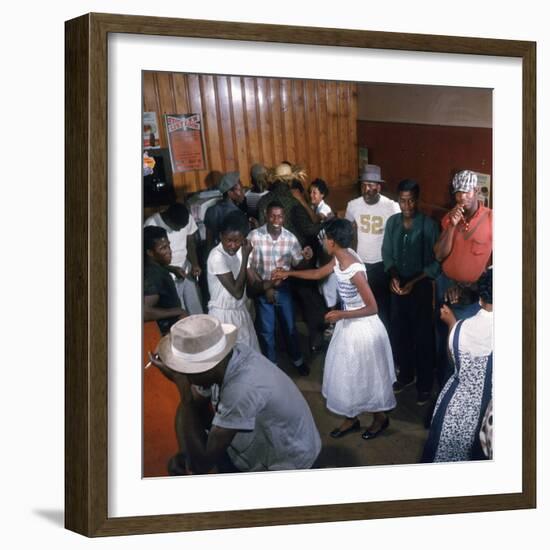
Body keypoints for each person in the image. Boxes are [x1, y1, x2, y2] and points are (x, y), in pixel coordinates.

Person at [149, 314, 322, 473]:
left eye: (188, 374)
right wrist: (186, 451)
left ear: (205, 368)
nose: (187, 379)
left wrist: (184, 394)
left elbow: (200, 465)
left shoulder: (241, 389)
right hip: (264, 441)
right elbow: (198, 403)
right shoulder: (224, 357)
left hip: (290, 458)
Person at [272, 218, 396, 440]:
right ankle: (352, 417)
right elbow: (319, 273)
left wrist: (341, 314)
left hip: (362, 327)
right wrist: (287, 273)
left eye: (325, 238)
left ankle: (380, 418)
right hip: (348, 325)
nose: (322, 241)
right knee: (347, 374)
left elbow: (372, 307)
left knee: (366, 376)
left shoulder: (352, 267)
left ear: (333, 242)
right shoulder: (339, 257)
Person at [422, 268, 493, 462]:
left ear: (481, 297)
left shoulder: (463, 327)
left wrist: (452, 323)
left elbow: (454, 358)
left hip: (459, 408)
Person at [382, 179, 440, 405]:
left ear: (418, 200)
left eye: (411, 201)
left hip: (421, 285)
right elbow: (387, 254)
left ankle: (424, 385)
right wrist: (394, 278)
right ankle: (406, 375)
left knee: (423, 337)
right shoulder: (392, 223)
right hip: (398, 284)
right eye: (402, 201)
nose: (406, 206)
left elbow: (436, 264)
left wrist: (413, 282)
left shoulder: (429, 226)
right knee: (399, 333)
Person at [258, 163, 327, 351]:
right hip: (297, 258)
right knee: (309, 298)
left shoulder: (264, 202)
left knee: (273, 304)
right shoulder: (294, 201)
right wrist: (324, 221)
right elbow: (309, 229)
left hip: (271, 261)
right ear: (290, 181)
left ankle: (278, 347)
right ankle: (315, 338)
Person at [433, 169, 493, 386]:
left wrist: (473, 288)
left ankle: (466, 391)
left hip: (474, 293)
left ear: (476, 191)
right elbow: (439, 254)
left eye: (466, 192)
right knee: (444, 343)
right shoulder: (449, 218)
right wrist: (452, 226)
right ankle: (444, 390)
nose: (462, 198)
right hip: (446, 285)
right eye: (458, 193)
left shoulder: (491, 218)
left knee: (468, 347)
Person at [247, 201, 313, 375]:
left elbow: (299, 266)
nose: (276, 219)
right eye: (272, 215)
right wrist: (265, 288)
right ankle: (272, 368)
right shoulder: (254, 237)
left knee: (289, 326)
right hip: (262, 287)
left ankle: (297, 360)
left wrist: (306, 257)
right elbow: (249, 267)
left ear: (284, 218)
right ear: (266, 216)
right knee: (266, 331)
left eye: (280, 216)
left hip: (283, 288)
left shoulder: (290, 238)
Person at [345, 164, 400, 330]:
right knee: (362, 305)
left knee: (382, 308)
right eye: (363, 185)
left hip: (382, 264)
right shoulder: (353, 205)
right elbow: (347, 233)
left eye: (370, 185)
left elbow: (398, 237)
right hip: (361, 265)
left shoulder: (391, 206)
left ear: (379, 187)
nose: (366, 189)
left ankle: (383, 340)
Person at [207, 211, 260, 352]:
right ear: (220, 237)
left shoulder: (240, 251)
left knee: (249, 353)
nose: (232, 245)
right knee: (231, 358)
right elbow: (236, 292)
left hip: (239, 310)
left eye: (237, 241)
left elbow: (251, 279)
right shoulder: (216, 257)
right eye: (228, 240)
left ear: (243, 239)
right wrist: (244, 257)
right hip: (223, 315)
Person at [144, 202, 203, 315]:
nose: (179, 230)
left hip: (186, 269)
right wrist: (171, 269)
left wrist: (194, 263)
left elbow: (190, 241)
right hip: (167, 275)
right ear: (168, 218)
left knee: (196, 309)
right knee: (178, 310)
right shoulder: (151, 224)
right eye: (177, 227)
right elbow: (148, 258)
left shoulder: (186, 217)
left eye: (182, 227)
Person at [143, 226, 188, 334]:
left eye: (168, 245)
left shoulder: (149, 265)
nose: (170, 251)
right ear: (150, 252)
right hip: (165, 332)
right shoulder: (153, 275)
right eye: (163, 248)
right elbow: (144, 312)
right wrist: (177, 311)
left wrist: (171, 269)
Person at [204, 171, 249, 252]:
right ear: (230, 193)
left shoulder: (211, 210)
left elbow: (209, 240)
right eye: (241, 190)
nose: (243, 193)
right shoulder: (237, 214)